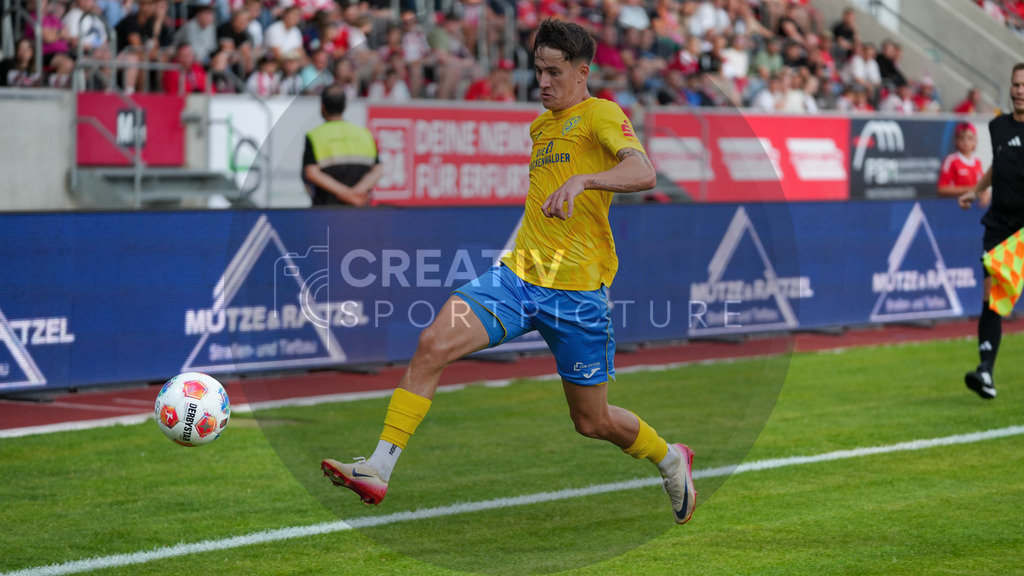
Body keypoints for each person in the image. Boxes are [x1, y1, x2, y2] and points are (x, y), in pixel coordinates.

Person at [320, 18, 697, 526]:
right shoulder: (541, 126)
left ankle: (671, 459)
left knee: (592, 421)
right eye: (538, 70)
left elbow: (644, 171)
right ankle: (379, 468)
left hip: (578, 294)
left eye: (554, 72)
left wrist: (584, 180)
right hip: (517, 279)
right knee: (433, 342)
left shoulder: (601, 114)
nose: (542, 82)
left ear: (583, 73)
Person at [956, 63, 1024, 399]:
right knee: (990, 293)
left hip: (1023, 230)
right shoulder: (997, 126)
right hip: (998, 223)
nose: (1020, 90)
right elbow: (999, 165)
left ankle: (986, 371)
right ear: (1009, 88)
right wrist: (975, 189)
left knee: (999, 296)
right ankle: (985, 370)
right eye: (1016, 84)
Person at [301, 84, 383, 206]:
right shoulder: (364, 133)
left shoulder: (314, 135)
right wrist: (356, 193)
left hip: (327, 209)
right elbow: (377, 170)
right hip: (360, 208)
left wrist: (346, 194)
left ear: (322, 107)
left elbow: (311, 173)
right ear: (345, 107)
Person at [939, 122, 984, 197]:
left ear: (975, 140)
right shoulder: (951, 160)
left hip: (975, 206)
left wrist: (986, 193)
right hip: (956, 205)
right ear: (956, 140)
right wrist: (966, 190)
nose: (966, 142)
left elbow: (982, 185)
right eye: (962, 138)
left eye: (970, 138)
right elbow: (942, 189)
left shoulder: (977, 162)